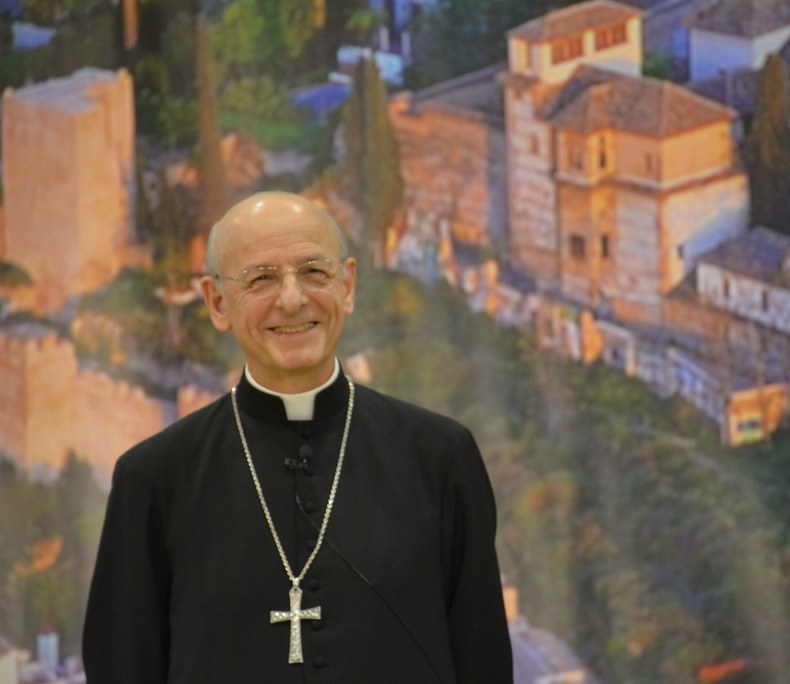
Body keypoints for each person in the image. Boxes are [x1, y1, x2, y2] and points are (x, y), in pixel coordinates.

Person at [82, 191, 513, 683]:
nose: (292, 299)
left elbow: (484, 663)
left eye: (313, 272)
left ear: (347, 286)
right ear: (217, 302)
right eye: (261, 279)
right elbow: (123, 668)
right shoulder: (154, 478)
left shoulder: (440, 458)